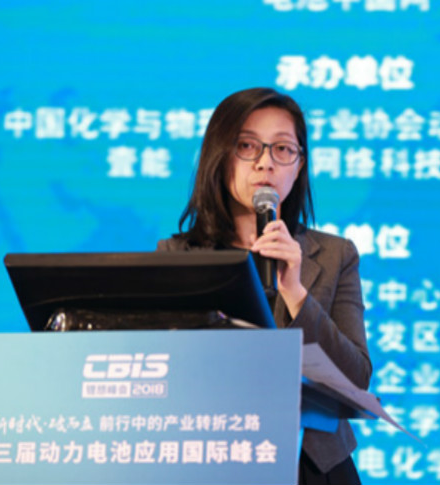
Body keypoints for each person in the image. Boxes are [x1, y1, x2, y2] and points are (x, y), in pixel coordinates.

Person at [157, 87, 371, 484]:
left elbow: (355, 379)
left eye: (283, 149)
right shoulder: (177, 255)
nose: (265, 163)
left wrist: (295, 292)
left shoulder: (334, 255)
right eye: (247, 146)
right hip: (215, 457)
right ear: (219, 156)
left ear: (299, 165)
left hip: (314, 466)